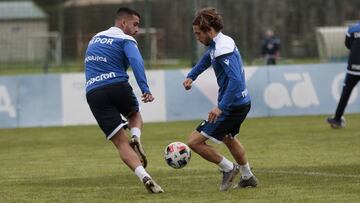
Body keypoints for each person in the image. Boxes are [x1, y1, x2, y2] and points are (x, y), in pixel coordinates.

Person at [84, 7, 163, 193]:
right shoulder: (126, 39)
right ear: (123, 23)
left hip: (93, 92)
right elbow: (136, 61)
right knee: (134, 114)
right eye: (135, 24)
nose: (137, 29)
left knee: (120, 142)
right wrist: (145, 88)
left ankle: (145, 177)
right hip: (116, 85)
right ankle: (136, 136)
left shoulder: (94, 38)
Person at [183, 7, 258, 192]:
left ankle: (228, 168)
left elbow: (236, 80)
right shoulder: (220, 43)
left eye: (198, 33)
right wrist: (192, 75)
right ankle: (247, 176)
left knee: (194, 142)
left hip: (231, 105)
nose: (197, 37)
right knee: (229, 138)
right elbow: (206, 59)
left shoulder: (223, 48)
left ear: (209, 30)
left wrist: (221, 107)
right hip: (240, 103)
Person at [327, 21, 360, 129]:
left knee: (345, 94)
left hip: (353, 68)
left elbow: (348, 45)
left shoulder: (352, 28)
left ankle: (337, 119)